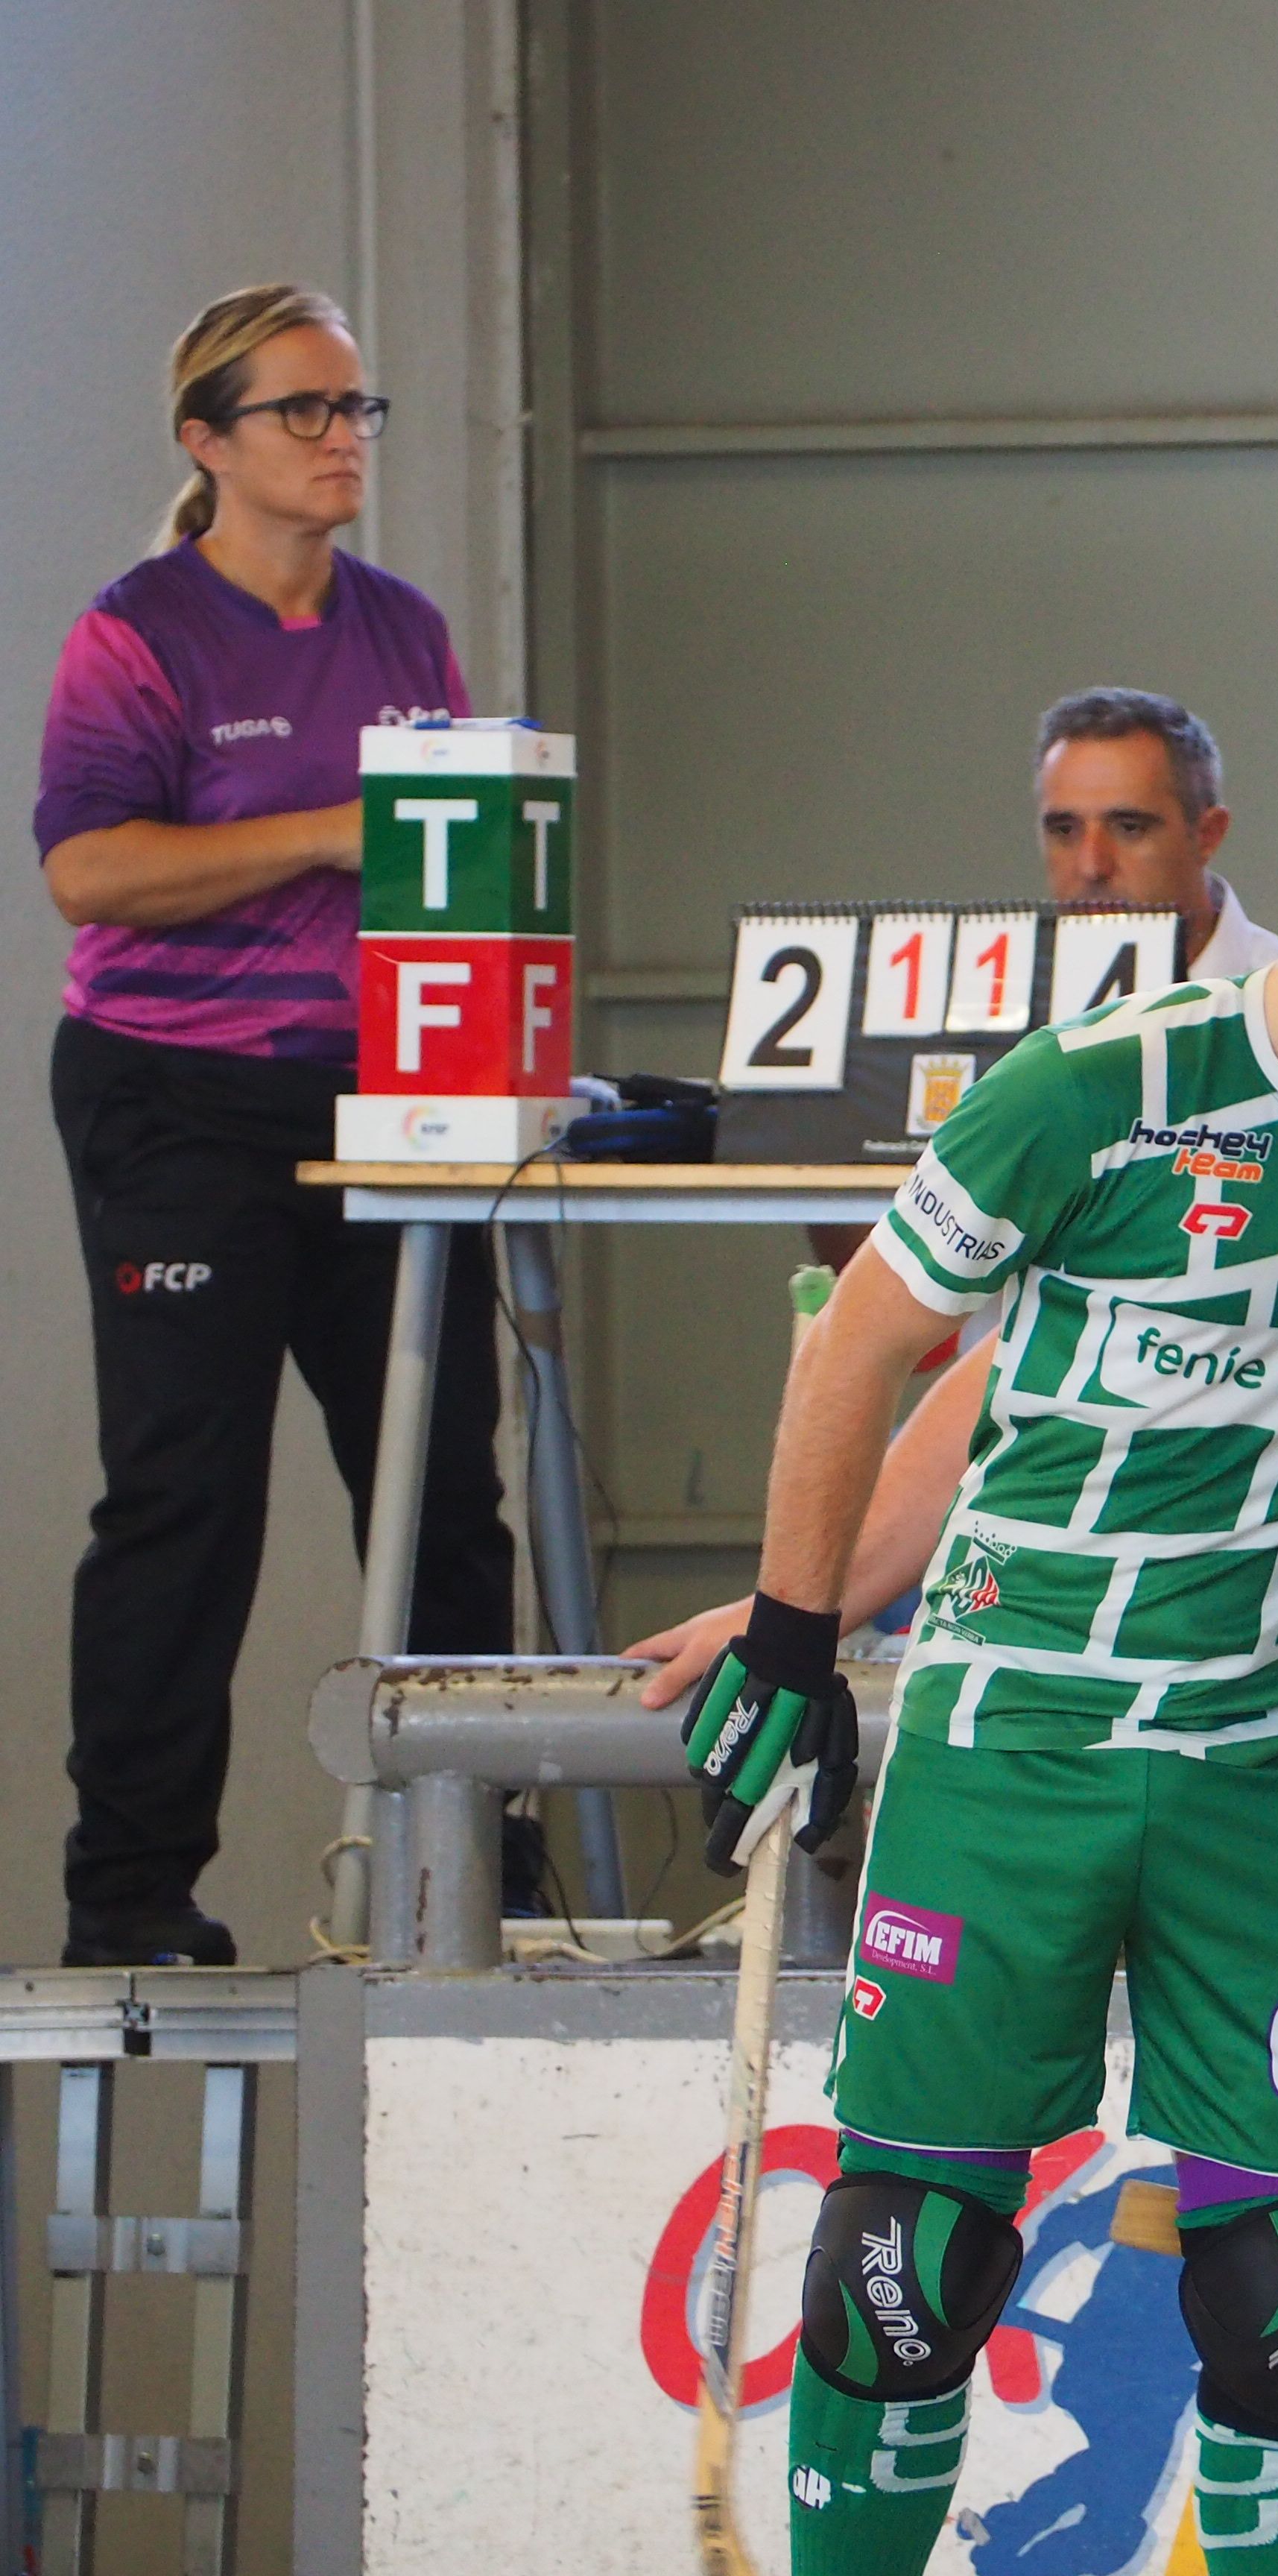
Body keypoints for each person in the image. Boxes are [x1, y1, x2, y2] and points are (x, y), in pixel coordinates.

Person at [667, 684, 1278, 2576]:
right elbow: (872, 1344)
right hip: (1021, 1748)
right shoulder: (1095, 1087)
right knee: (907, 2263)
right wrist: (788, 1626)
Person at [38, 283, 510, 1968]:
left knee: (446, 1488)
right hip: (178, 1094)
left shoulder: (403, 629)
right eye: (305, 411)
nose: (338, 441)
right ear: (207, 440)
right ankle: (135, 1887)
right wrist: (322, 832)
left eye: (355, 410)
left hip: (379, 1101)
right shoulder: (141, 632)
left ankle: (489, 1855)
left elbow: (449, 859)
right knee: (187, 1491)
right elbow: (90, 868)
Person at [1034, 685, 1278, 975]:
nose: (1092, 867)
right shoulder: (1007, 998)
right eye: (1065, 831)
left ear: (1207, 835)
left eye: (1129, 829)